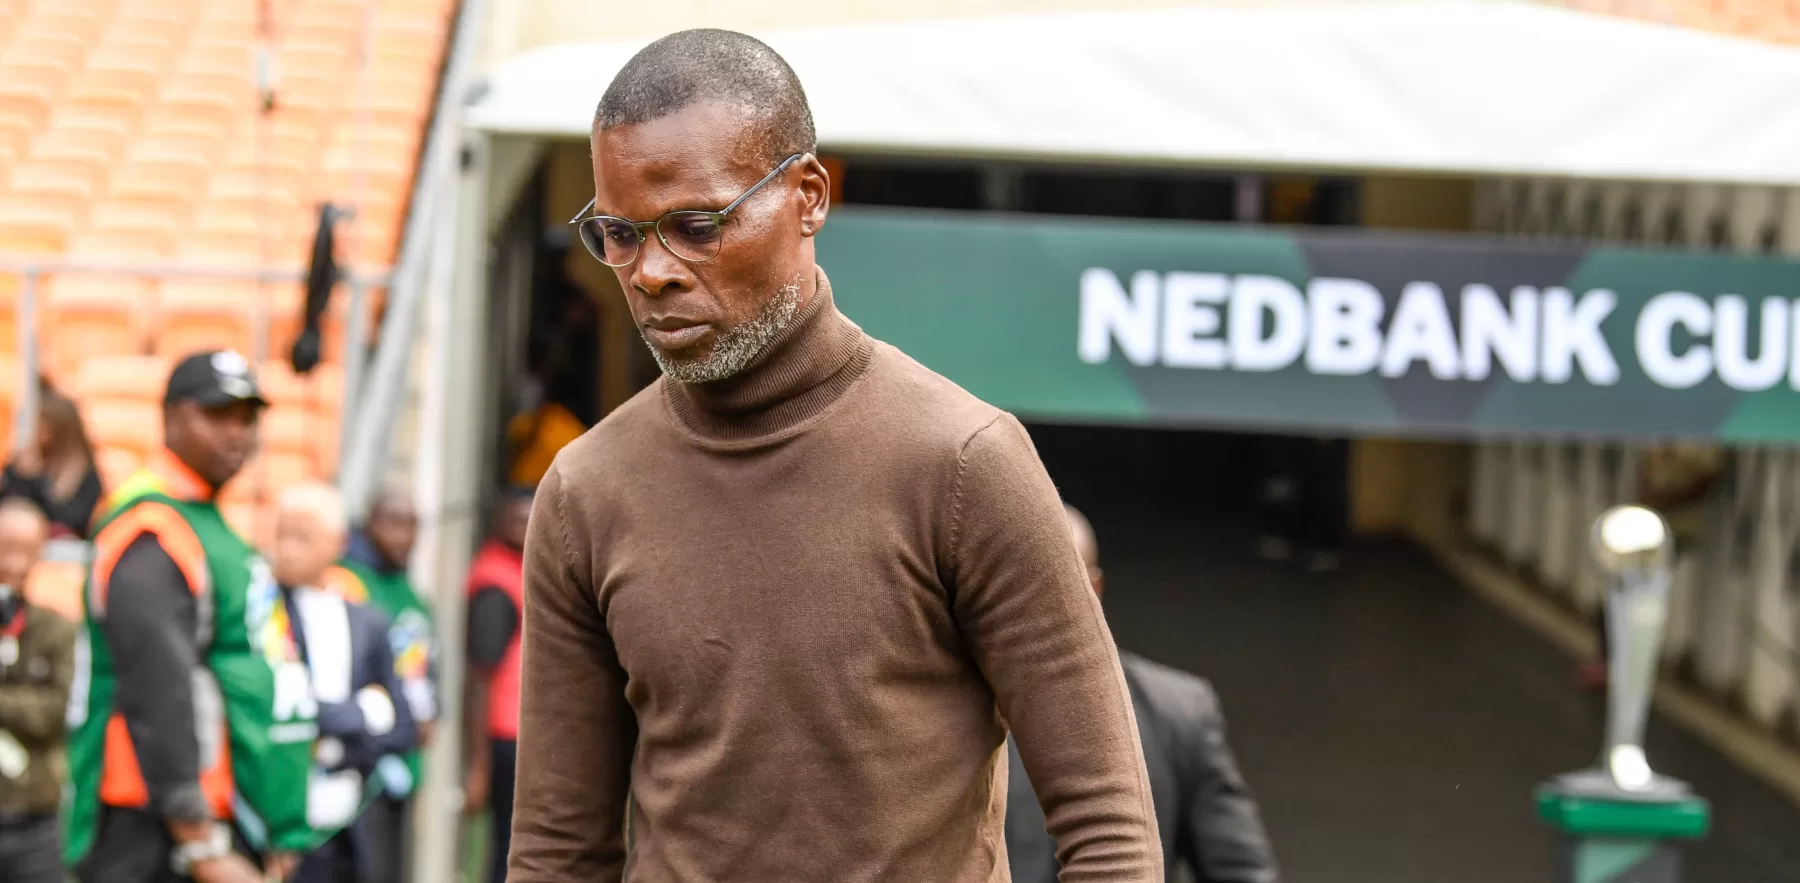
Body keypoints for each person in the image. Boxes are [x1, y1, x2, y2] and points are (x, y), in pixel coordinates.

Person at [511, 29, 1161, 882]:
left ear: (808, 196)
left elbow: (1109, 831)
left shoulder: (965, 462)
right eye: (619, 235)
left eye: (696, 224)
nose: (651, 272)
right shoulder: (584, 492)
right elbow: (558, 853)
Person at [66, 350, 319, 883]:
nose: (236, 435)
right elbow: (158, 682)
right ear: (171, 418)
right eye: (217, 415)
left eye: (247, 419)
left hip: (217, 809)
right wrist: (197, 837)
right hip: (150, 822)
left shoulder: (205, 519)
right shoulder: (152, 528)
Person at [1007, 505, 1279, 883]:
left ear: (1094, 588)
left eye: (1057, 582)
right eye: (1016, 583)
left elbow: (1242, 872)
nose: (1034, 602)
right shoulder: (945, 715)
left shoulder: (1176, 712)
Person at [271, 484, 417, 883]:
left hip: (352, 811)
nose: (287, 548)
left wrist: (346, 746)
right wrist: (362, 713)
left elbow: (402, 724)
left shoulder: (366, 621)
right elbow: (278, 703)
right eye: (280, 535)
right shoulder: (267, 611)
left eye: (302, 538)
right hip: (287, 816)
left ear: (336, 543)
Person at [331, 486, 435, 883]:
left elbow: (423, 669)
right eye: (392, 524)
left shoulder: (412, 596)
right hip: (363, 760)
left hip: (406, 761)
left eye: (411, 526)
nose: (402, 536)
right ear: (370, 524)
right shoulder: (349, 584)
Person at [0, 499, 76, 883]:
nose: (13, 563)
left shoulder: (56, 629)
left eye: (24, 551)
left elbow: (55, 711)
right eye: (4, 548)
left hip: (35, 818)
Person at [461, 488, 530, 883]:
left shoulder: (517, 570)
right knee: (506, 848)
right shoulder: (496, 583)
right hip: (505, 737)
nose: (524, 526)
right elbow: (480, 676)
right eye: (516, 518)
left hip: (518, 732)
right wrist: (478, 765)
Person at [1, 384, 104, 539]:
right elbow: (9, 506)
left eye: (41, 425)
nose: (35, 431)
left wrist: (35, 480)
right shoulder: (24, 463)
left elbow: (71, 521)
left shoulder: (84, 473)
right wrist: (20, 475)